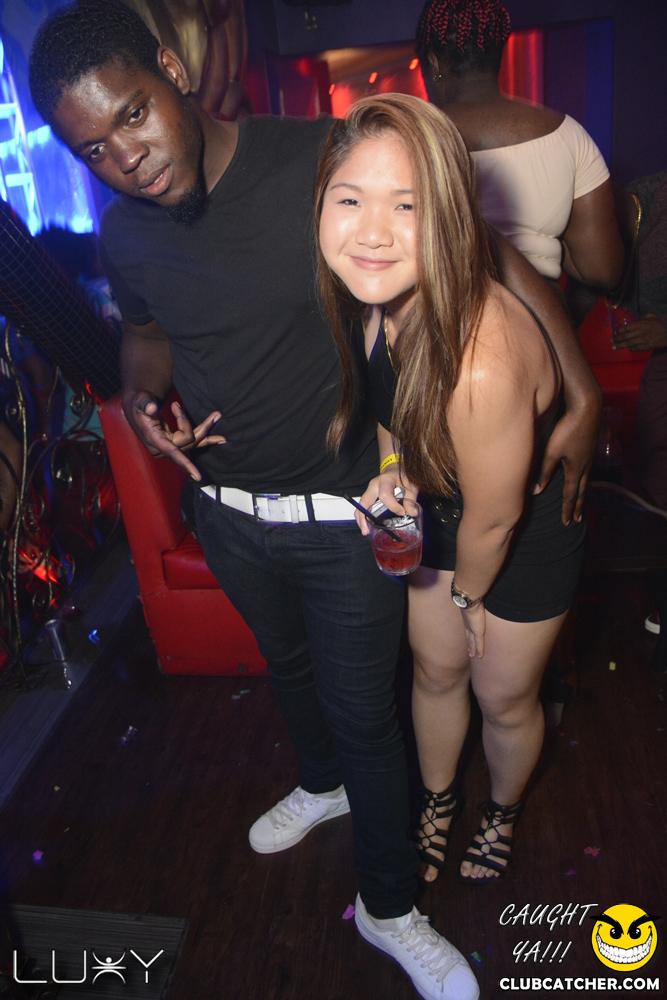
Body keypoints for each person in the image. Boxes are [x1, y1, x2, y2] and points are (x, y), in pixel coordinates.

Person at [29, 3, 600, 996]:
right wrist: (142, 396)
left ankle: (389, 908)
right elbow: (148, 335)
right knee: (290, 676)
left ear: (171, 69)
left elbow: (476, 245)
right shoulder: (123, 234)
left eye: (133, 114)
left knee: (365, 713)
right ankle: (320, 785)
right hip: (229, 515)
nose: (125, 157)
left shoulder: (318, 159)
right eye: (92, 149)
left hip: (347, 514)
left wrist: (581, 389)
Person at [316, 93, 585, 889]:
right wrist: (395, 466)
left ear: (451, 216)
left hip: (517, 531)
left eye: (407, 205)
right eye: (350, 199)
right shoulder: (376, 301)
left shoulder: (482, 362)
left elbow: (495, 520)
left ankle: (500, 810)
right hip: (441, 506)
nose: (371, 232)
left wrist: (468, 599)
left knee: (501, 695)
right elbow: (391, 408)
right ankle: (438, 799)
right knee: (433, 673)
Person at [415, 0, 624, 298]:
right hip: (542, 318)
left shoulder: (412, 141)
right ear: (498, 54)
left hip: (451, 314)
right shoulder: (569, 136)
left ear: (434, 64)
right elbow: (603, 270)